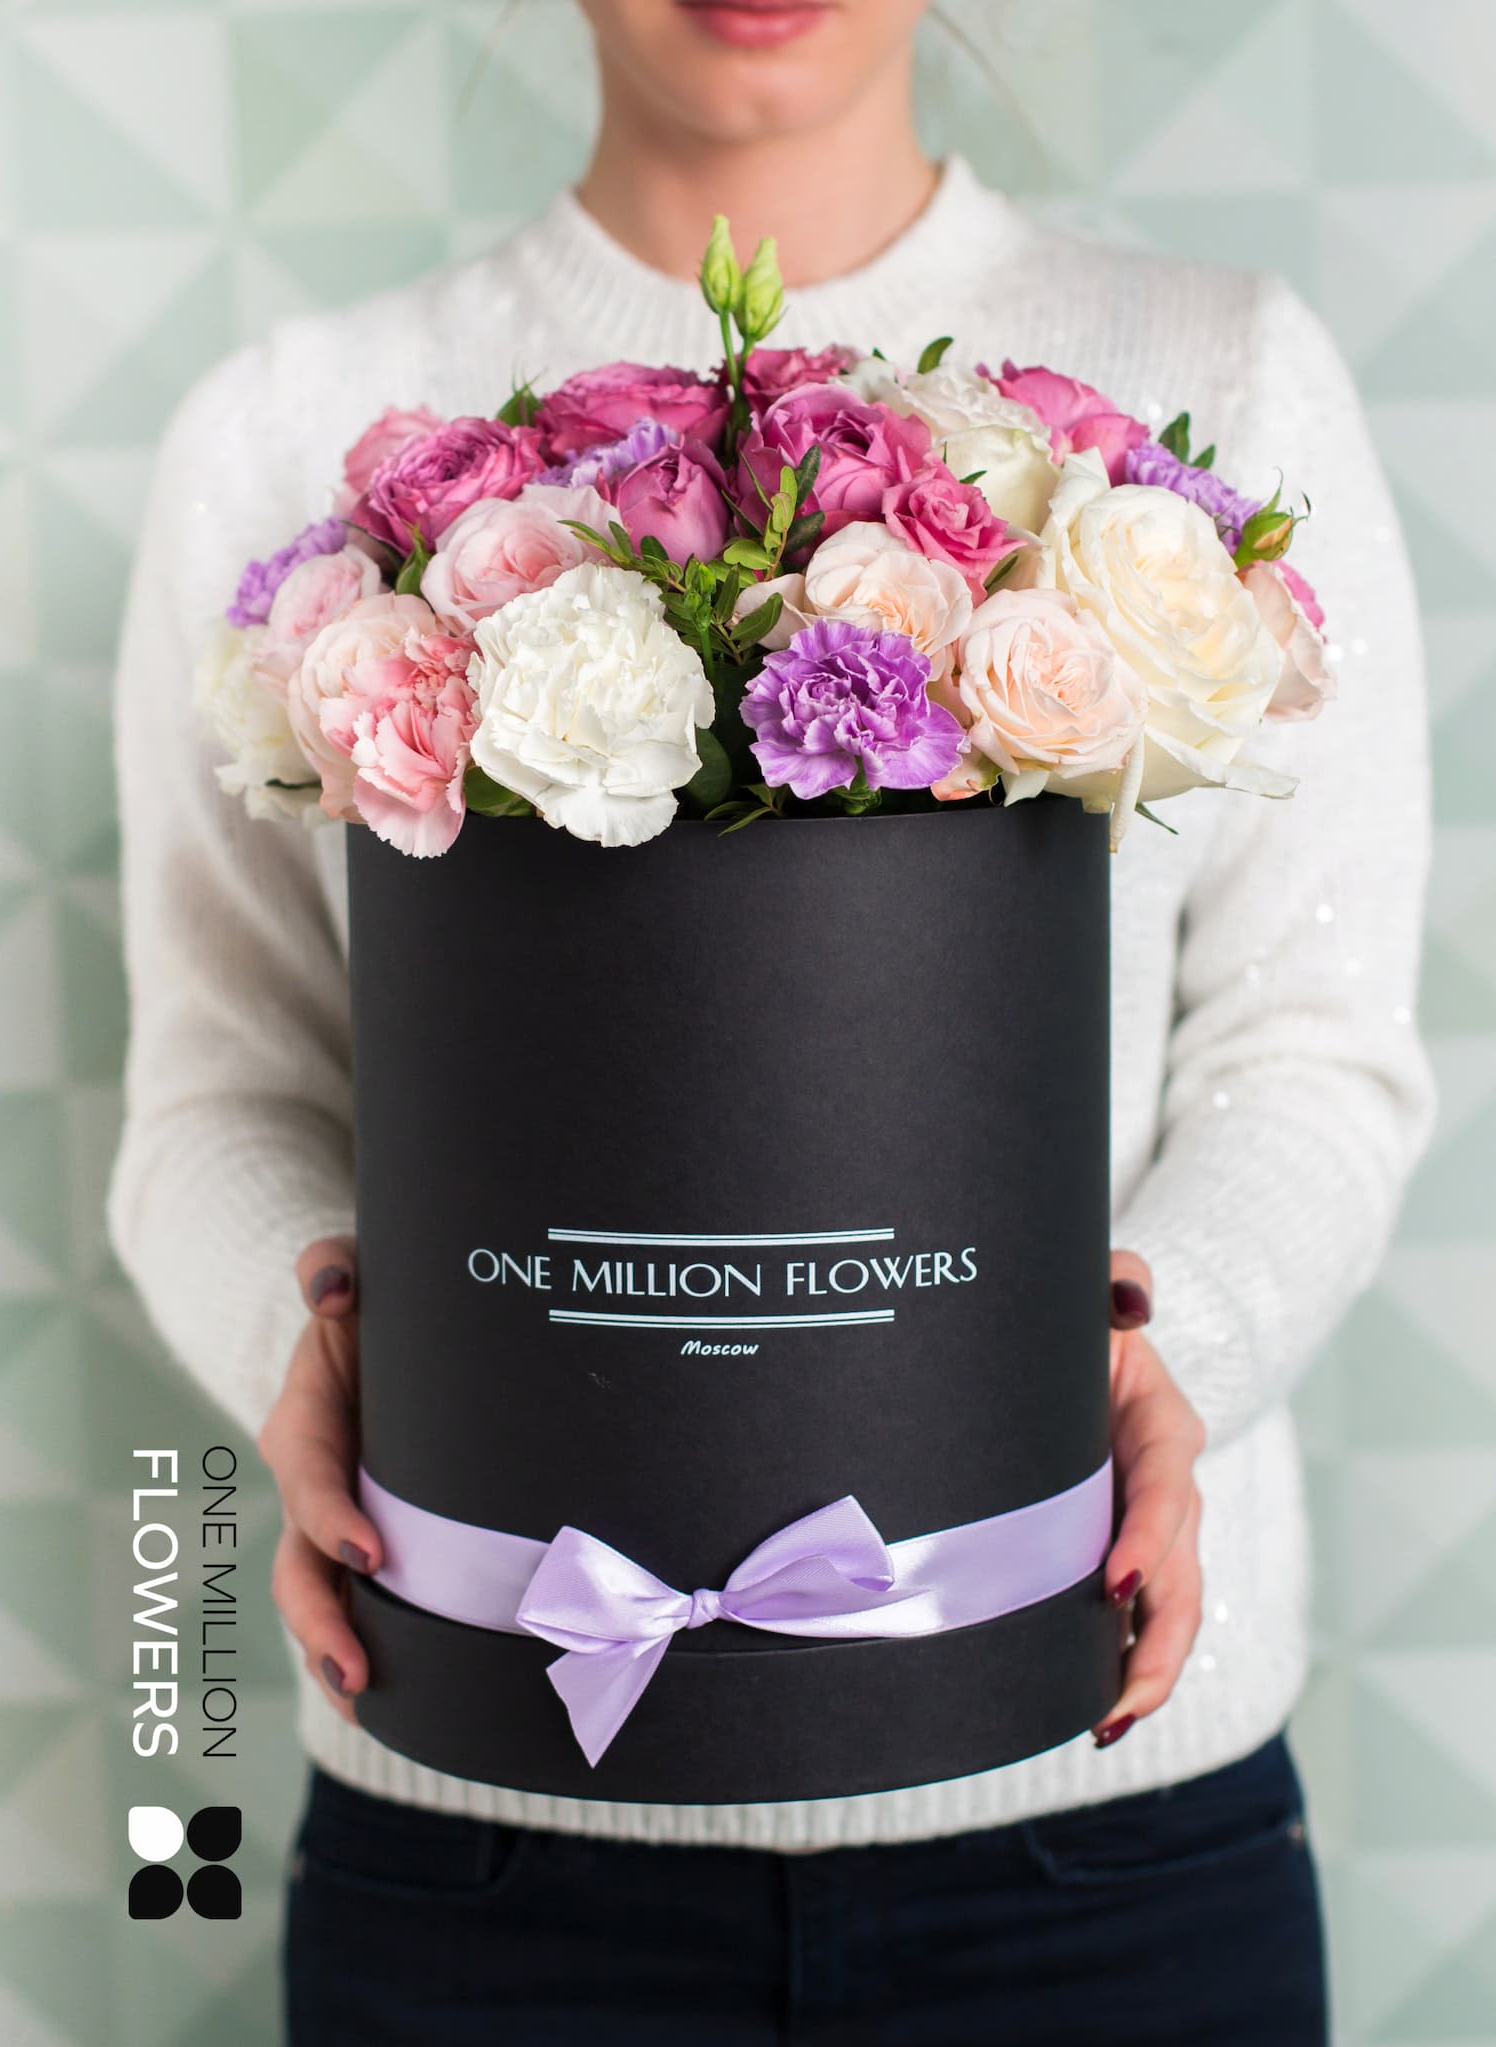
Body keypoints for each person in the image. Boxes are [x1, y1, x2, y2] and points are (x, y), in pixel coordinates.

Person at [106, 1, 1435, 2040]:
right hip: (489, 1837)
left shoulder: (1217, 388)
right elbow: (223, 1084)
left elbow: (1310, 1051)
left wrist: (1171, 1351)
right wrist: (313, 1341)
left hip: (1096, 1833)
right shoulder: (294, 438)